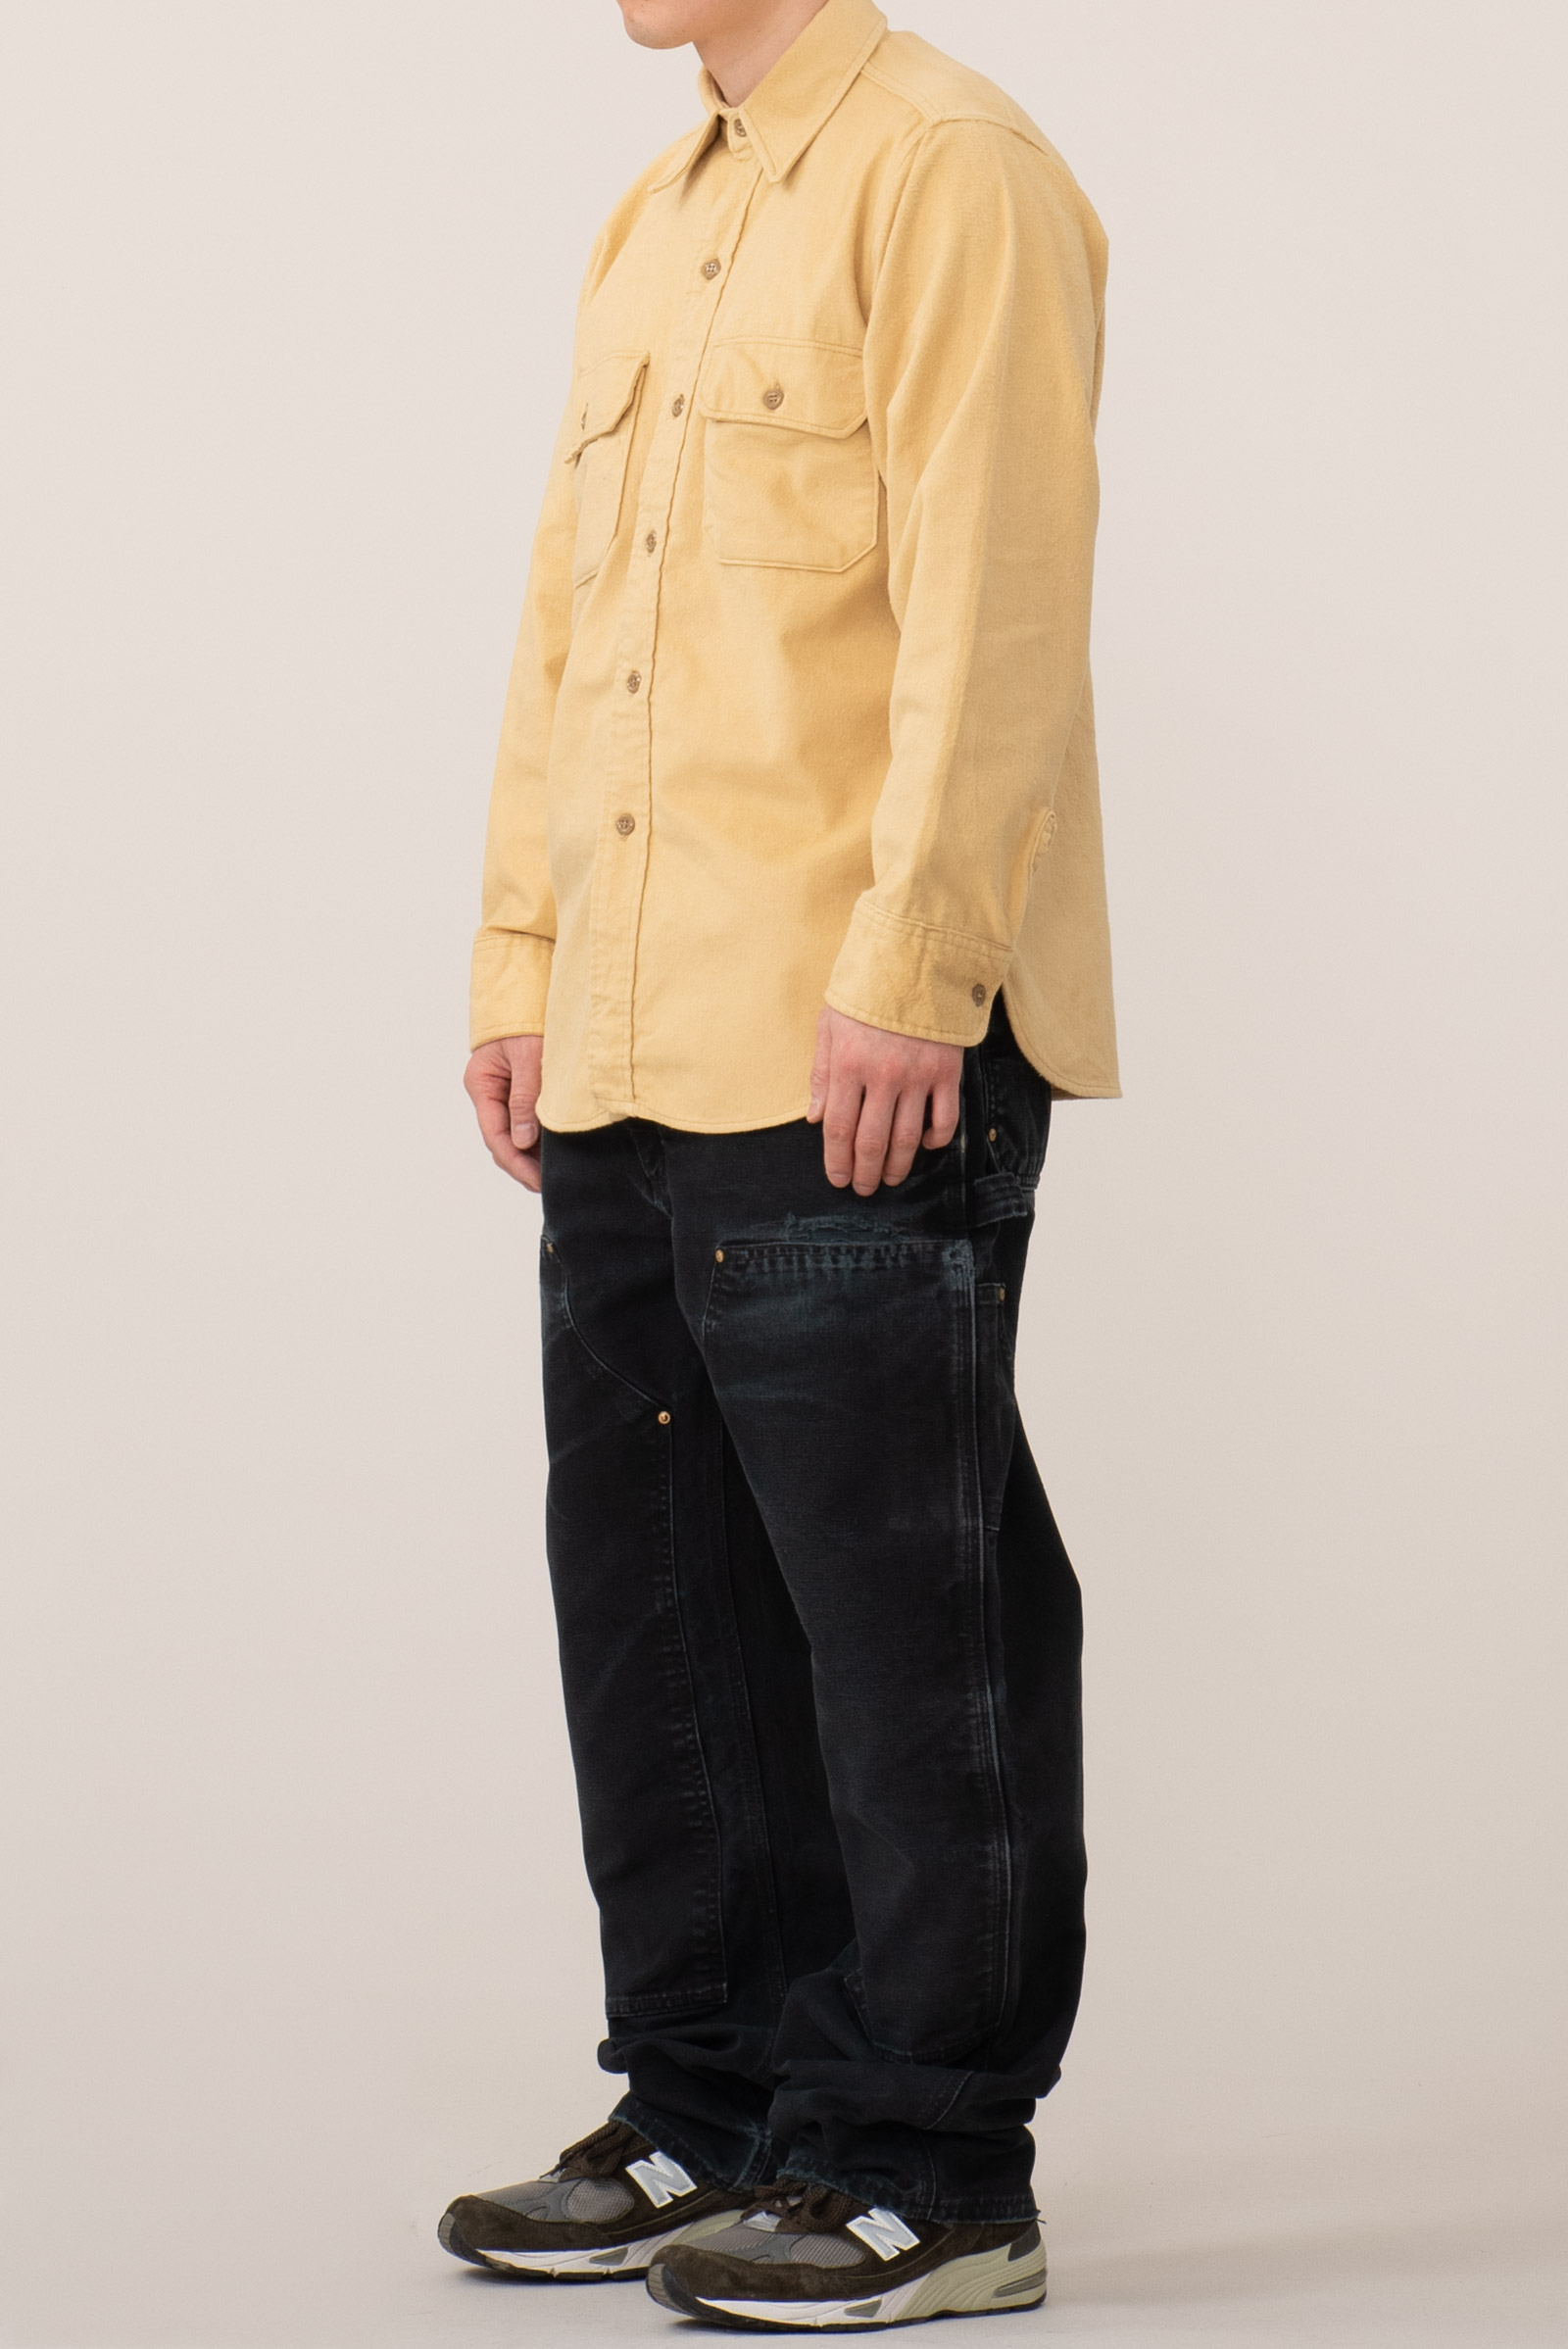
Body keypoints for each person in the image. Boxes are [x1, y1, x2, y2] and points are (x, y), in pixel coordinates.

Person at [444, 0, 1117, 2327]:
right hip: (634, 1033)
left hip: (855, 1036)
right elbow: (567, 624)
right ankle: (710, 2100)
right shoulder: (659, 209)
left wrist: (916, 965)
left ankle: (930, 2160)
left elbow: (995, 594)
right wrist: (520, 957)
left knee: (906, 1616)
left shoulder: (946, 165)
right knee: (655, 1607)